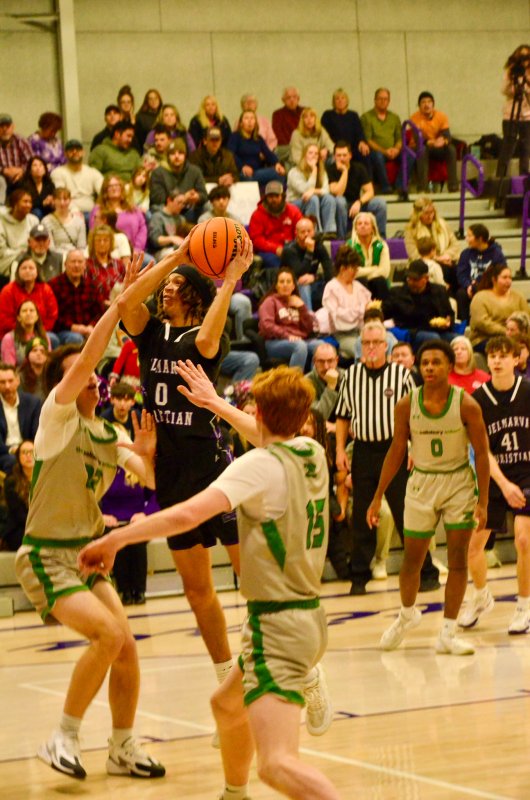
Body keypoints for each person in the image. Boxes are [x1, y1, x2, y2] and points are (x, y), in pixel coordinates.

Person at [78, 363, 339, 800]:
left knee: (276, 764)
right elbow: (267, 434)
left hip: (278, 626)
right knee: (226, 704)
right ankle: (234, 794)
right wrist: (215, 403)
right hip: (308, 617)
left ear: (259, 412)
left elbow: (186, 514)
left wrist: (116, 538)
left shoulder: (256, 466)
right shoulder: (310, 452)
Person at [14, 254, 166, 780]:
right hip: (45, 556)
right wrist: (121, 304)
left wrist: (147, 454)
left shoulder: (108, 433)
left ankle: (122, 746)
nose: (94, 380)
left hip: (86, 556)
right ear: (65, 384)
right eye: (83, 375)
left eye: (94, 376)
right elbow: (92, 354)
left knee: (126, 647)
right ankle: (63, 736)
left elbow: (150, 481)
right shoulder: (55, 420)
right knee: (107, 636)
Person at [116, 234, 254, 703]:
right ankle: (227, 680)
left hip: (214, 468)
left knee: (252, 580)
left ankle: (292, 670)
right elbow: (125, 304)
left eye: (177, 283)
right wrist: (175, 256)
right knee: (197, 592)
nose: (167, 289)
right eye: (167, 284)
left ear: (195, 294)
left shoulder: (207, 337)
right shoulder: (151, 334)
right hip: (172, 473)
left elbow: (209, 339)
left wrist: (229, 279)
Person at [368, 339, 489, 654]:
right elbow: (397, 449)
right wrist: (377, 495)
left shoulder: (467, 404)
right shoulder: (406, 404)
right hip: (422, 482)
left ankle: (448, 632)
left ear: (450, 365)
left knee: (458, 560)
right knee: (412, 560)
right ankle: (407, 615)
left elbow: (482, 453)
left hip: (458, 482)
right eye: (425, 363)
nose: (430, 368)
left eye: (436, 362)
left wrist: (483, 501)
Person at [335, 320, 441, 595]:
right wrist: (339, 450)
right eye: (366, 343)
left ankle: (426, 571)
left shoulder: (401, 375)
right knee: (363, 516)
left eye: (376, 343)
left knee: (407, 513)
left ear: (386, 346)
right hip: (363, 451)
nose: (371, 347)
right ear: (361, 346)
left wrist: (415, 447)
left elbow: (417, 415)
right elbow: (342, 416)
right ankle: (359, 577)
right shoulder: (350, 376)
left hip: (395, 449)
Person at [459, 335, 530, 634]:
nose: (497, 361)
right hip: (494, 475)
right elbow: (481, 449)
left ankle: (524, 607)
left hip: (527, 473)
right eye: (492, 356)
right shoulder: (477, 399)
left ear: (516, 359)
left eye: (503, 355)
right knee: (471, 547)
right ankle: (480, 597)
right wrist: (503, 484)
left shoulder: (527, 391)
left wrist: (515, 484)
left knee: (523, 539)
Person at [100, 382, 151, 606]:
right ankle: (123, 590)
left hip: (137, 516)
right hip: (110, 518)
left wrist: (145, 513)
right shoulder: (103, 468)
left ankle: (139, 590)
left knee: (136, 535)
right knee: (116, 536)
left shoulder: (137, 466)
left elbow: (155, 493)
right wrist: (101, 516)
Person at [383, 259, 456, 350]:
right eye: (409, 279)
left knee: (458, 340)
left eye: (415, 280)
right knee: (433, 338)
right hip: (412, 331)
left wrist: (449, 322)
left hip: (438, 330)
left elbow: (449, 313)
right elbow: (385, 311)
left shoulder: (439, 291)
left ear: (426, 278)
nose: (411, 282)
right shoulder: (397, 293)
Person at [258, 267, 321, 370]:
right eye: (282, 282)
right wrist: (287, 335)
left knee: (320, 346)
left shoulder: (297, 302)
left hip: (299, 340)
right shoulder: (270, 301)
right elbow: (266, 325)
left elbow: (309, 329)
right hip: (275, 342)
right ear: (276, 286)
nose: (285, 285)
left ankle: (313, 378)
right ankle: (294, 380)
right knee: (300, 346)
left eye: (288, 282)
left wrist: (302, 307)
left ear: (293, 286)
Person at [326, 141, 387, 239]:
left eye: (344, 155)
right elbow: (337, 192)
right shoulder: (330, 169)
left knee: (380, 203)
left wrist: (359, 202)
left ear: (350, 155)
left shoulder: (359, 168)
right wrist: (345, 171)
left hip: (357, 203)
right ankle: (341, 238)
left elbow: (370, 191)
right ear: (334, 157)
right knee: (340, 201)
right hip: (340, 205)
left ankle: (380, 237)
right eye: (338, 155)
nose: (342, 158)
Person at [321, 245, 371, 359]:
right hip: (343, 335)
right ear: (342, 268)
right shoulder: (331, 288)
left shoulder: (359, 287)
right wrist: (361, 310)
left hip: (363, 331)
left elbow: (368, 308)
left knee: (389, 340)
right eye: (353, 268)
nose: (356, 272)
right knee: (362, 350)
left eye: (357, 269)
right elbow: (338, 317)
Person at [49, 249, 106, 345]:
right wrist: (73, 327)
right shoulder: (54, 285)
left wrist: (91, 327)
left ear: (85, 265)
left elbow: (100, 312)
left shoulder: (92, 285)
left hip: (89, 330)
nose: (76, 265)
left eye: (80, 262)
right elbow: (52, 316)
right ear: (65, 264)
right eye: (73, 262)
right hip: (63, 331)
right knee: (76, 338)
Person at [469, 263, 530, 353]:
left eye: (510, 278)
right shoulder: (480, 297)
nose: (508, 281)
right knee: (506, 346)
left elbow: (527, 318)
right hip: (484, 338)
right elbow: (482, 323)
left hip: (516, 337)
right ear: (494, 279)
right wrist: (507, 331)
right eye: (504, 277)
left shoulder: (518, 297)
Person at [404, 196, 460, 293]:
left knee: (456, 270)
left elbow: (455, 244)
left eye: (432, 212)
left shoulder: (443, 224)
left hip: (445, 259)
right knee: (439, 269)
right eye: (426, 213)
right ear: (418, 214)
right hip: (424, 263)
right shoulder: (411, 229)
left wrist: (446, 255)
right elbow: (414, 254)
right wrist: (436, 259)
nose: (430, 216)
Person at [456, 224, 507, 322]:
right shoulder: (466, 253)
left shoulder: (496, 253)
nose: (466, 239)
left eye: (469, 236)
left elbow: (501, 273)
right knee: (461, 294)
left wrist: (483, 285)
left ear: (479, 239)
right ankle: (465, 324)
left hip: (489, 286)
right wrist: (468, 285)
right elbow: (461, 274)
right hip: (471, 287)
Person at [281, 216, 333, 311]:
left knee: (334, 283)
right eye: (303, 232)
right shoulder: (289, 250)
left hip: (313, 282)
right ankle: (308, 316)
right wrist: (309, 252)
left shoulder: (318, 246)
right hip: (294, 286)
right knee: (304, 284)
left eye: (309, 231)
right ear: (296, 233)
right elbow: (300, 273)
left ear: (314, 231)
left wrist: (315, 277)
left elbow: (329, 269)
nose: (306, 234)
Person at [410, 91, 458, 192]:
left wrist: (443, 141)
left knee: (451, 149)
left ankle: (453, 186)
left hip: (437, 147)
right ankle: (423, 187)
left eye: (429, 102)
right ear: (419, 106)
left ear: (433, 104)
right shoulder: (414, 118)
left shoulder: (441, 116)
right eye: (423, 102)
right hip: (422, 146)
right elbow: (417, 138)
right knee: (422, 150)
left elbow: (447, 135)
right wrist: (430, 142)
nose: (426, 105)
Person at [248, 180, 302, 269]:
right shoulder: (257, 215)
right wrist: (275, 249)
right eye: (270, 196)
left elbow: (300, 230)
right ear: (265, 198)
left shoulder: (293, 211)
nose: (273, 199)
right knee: (276, 263)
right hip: (268, 251)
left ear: (283, 196)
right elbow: (256, 239)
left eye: (277, 196)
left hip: (291, 248)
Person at [0, 256, 58, 340]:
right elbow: (4, 318)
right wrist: (26, 331)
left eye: (31, 268)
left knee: (52, 339)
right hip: (14, 332)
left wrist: (37, 331)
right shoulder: (8, 290)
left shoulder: (45, 289)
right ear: (18, 272)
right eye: (24, 268)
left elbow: (52, 315)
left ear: (37, 272)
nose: (27, 271)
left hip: (40, 331)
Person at [286, 143, 338, 236]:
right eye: (310, 153)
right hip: (294, 203)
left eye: (316, 153)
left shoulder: (322, 172)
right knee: (313, 199)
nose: (313, 155)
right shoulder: (294, 172)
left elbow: (326, 190)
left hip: (313, 200)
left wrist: (314, 191)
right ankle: (315, 232)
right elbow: (305, 190)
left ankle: (329, 232)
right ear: (304, 156)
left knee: (329, 198)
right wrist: (314, 170)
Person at [149, 138, 207, 220]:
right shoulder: (158, 172)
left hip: (189, 210)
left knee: (207, 207)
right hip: (166, 210)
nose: (176, 156)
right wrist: (183, 198)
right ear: (168, 156)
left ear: (185, 155)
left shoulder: (195, 171)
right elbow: (157, 198)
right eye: (172, 153)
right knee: (157, 210)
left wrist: (197, 197)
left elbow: (204, 195)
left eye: (180, 153)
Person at [0, 361, 42, 473]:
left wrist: (25, 450)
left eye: (10, 381)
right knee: (12, 462)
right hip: (5, 453)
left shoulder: (33, 403)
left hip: (30, 449)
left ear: (17, 381)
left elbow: (37, 434)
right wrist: (14, 451)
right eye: (2, 382)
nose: (7, 386)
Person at [228, 110, 286, 191]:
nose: (250, 121)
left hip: (256, 171)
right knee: (248, 180)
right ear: (241, 123)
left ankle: (274, 196)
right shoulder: (235, 137)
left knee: (279, 173)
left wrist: (277, 164)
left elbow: (268, 153)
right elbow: (230, 154)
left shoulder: (258, 138)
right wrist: (242, 166)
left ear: (255, 122)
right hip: (241, 172)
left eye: (252, 118)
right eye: (246, 118)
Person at [361, 88, 404, 194]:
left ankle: (399, 185)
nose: (383, 101)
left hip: (393, 151)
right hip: (375, 152)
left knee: (409, 155)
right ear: (375, 100)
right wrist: (385, 151)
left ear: (389, 101)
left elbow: (399, 138)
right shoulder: (366, 117)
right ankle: (386, 187)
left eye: (385, 99)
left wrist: (396, 149)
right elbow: (368, 140)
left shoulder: (394, 117)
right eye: (380, 99)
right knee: (378, 155)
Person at [496, 45, 530, 178]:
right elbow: (503, 90)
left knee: (526, 148)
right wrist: (511, 77)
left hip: (527, 116)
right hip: (510, 115)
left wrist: (526, 83)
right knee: (508, 147)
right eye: (522, 57)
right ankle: (501, 179)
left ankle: (524, 179)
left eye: (527, 57)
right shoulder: (511, 71)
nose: (524, 60)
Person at [90, 174, 147, 252]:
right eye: (110, 186)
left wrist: (137, 248)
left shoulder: (133, 209)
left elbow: (142, 229)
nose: (114, 188)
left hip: (135, 251)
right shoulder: (98, 210)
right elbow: (95, 232)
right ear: (105, 190)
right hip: (109, 253)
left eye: (117, 185)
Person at [51, 139, 104, 217]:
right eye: (71, 150)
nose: (74, 152)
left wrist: (98, 208)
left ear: (83, 152)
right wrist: (74, 210)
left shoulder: (93, 172)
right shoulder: (58, 172)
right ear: (65, 154)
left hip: (92, 212)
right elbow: (61, 196)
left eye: (78, 149)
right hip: (68, 212)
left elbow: (104, 191)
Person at [347, 211, 391, 300]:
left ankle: (383, 308)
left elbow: (385, 271)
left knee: (379, 281)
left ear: (373, 228)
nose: (362, 226)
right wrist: (374, 268)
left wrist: (363, 272)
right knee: (361, 281)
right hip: (358, 282)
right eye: (359, 224)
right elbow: (352, 272)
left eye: (366, 224)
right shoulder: (350, 246)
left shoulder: (380, 245)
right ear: (355, 228)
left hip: (377, 282)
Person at [321, 89, 370, 167]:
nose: (340, 101)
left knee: (365, 155)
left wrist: (362, 142)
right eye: (337, 99)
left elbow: (359, 132)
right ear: (333, 102)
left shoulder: (353, 115)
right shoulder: (327, 115)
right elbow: (323, 134)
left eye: (343, 98)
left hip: (352, 149)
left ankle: (366, 175)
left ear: (347, 101)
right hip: (334, 149)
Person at [0, 189, 39, 282]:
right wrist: (20, 254)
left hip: (30, 257)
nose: (28, 205)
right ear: (15, 203)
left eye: (30, 202)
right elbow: (2, 251)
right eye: (25, 201)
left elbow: (37, 244)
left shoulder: (33, 220)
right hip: (7, 260)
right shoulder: (1, 222)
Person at [2, 439, 34, 551]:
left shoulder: (44, 480)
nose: (28, 455)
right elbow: (19, 515)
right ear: (18, 457)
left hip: (38, 525)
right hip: (18, 528)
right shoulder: (11, 482)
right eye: (24, 452)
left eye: (32, 452)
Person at [1, 299, 51, 367]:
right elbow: (10, 367)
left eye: (31, 310)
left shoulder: (44, 336)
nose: (28, 313)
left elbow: (48, 363)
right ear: (18, 317)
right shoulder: (9, 338)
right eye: (24, 311)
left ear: (37, 316)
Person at [86, 224, 126, 303]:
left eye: (105, 240)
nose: (102, 243)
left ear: (111, 243)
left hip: (120, 305)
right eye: (98, 240)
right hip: (97, 307)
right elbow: (86, 293)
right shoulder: (86, 265)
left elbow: (126, 287)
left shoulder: (119, 264)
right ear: (93, 243)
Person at [43, 187, 87, 254]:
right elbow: (51, 248)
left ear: (70, 200)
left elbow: (82, 246)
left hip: (75, 256)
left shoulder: (79, 221)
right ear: (53, 200)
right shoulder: (46, 221)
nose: (62, 203)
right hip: (56, 257)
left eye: (65, 199)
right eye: (59, 199)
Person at [305, 342, 342, 421]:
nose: (326, 367)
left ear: (337, 360)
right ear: (314, 362)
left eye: (330, 361)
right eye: (321, 361)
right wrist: (331, 387)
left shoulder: (348, 377)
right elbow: (318, 418)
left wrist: (337, 426)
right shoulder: (306, 383)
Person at [148, 188, 188, 260]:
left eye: (184, 203)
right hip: (160, 252)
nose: (181, 206)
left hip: (177, 249)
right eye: (179, 202)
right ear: (169, 200)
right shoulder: (157, 217)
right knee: (176, 255)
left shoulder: (181, 218)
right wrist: (171, 238)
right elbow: (155, 239)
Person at [12, 156, 55, 220]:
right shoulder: (23, 184)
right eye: (35, 165)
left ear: (45, 169)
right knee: (37, 212)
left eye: (41, 165)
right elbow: (23, 203)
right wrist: (42, 203)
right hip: (28, 211)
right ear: (30, 170)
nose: (38, 168)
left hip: (46, 211)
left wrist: (52, 201)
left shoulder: (49, 184)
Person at [272, 86, 305, 160]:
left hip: (305, 146)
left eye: (294, 97)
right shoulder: (278, 114)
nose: (292, 100)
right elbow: (278, 134)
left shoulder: (305, 112)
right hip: (287, 147)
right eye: (288, 97)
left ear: (298, 99)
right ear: (283, 100)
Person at [0, 114, 33, 187]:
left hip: (21, 176)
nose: (4, 129)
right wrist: (4, 170)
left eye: (7, 126)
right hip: (1, 177)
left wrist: (21, 170)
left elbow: (31, 161)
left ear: (13, 127)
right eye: (1, 126)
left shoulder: (21, 141)